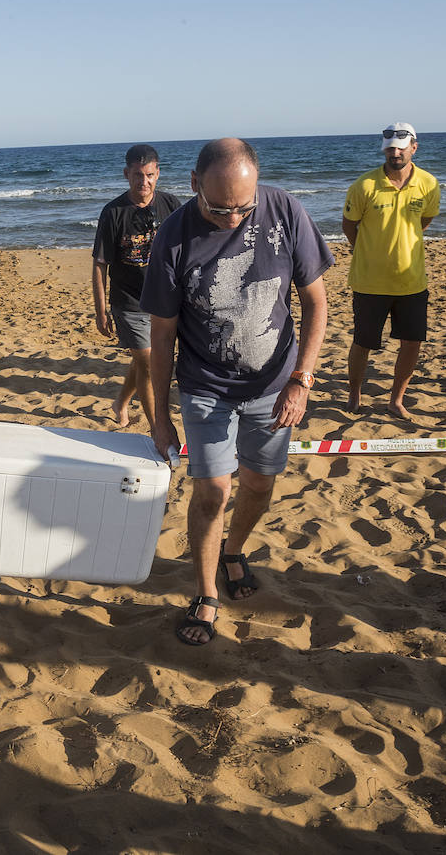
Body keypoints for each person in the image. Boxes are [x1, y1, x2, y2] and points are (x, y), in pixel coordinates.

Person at [142, 138, 332, 647]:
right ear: (193, 185)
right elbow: (161, 338)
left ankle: (234, 550)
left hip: (275, 384)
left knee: (259, 486)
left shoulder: (285, 210)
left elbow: (317, 304)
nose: (232, 218)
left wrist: (302, 379)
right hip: (206, 386)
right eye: (219, 208)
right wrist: (160, 417)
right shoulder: (173, 237)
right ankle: (206, 593)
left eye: (242, 208)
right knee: (213, 490)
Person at [341, 123, 440, 419]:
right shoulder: (364, 185)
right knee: (363, 342)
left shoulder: (429, 184)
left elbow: (425, 221)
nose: (394, 153)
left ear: (414, 147)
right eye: (389, 148)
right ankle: (355, 394)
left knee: (411, 343)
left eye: (400, 147)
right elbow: (349, 225)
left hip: (411, 281)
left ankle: (396, 399)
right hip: (369, 282)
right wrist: (370, 251)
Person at [91, 144, 182, 427]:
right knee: (150, 364)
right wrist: (101, 311)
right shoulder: (113, 212)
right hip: (129, 301)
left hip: (165, 300)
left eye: (150, 175)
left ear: (158, 174)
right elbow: (99, 264)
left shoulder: (171, 205)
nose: (144, 182)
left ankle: (120, 401)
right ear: (126, 174)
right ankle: (157, 428)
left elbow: (188, 251)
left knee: (145, 359)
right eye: (138, 175)